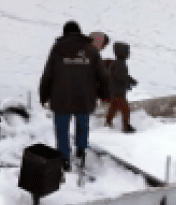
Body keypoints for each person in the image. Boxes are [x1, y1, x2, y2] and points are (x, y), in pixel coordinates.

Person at [39, 21, 110, 170]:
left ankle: (64, 159)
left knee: (62, 130)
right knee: (82, 126)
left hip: (61, 98)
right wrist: (104, 94)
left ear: (64, 33)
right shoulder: (91, 49)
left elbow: (48, 74)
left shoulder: (57, 48)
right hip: (84, 97)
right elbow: (102, 75)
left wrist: (43, 95)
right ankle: (81, 152)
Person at [105, 41, 137, 133]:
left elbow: (115, 77)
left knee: (113, 107)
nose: (129, 53)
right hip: (118, 92)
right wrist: (131, 81)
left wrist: (127, 85)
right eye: (127, 51)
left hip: (113, 90)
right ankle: (126, 127)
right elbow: (121, 77)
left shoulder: (115, 63)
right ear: (123, 53)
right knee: (125, 109)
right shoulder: (120, 64)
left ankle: (108, 122)